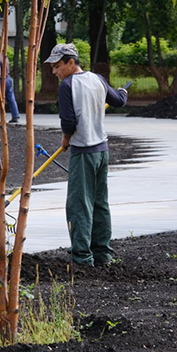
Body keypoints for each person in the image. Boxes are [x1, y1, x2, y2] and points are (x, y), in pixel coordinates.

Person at [45, 43, 128, 267]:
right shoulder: (97, 79)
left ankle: (82, 258)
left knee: (79, 205)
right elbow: (119, 101)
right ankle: (103, 254)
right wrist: (122, 92)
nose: (54, 72)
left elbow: (69, 122)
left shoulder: (67, 85)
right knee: (100, 202)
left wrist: (65, 139)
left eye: (57, 66)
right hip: (102, 151)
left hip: (83, 153)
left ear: (71, 62)